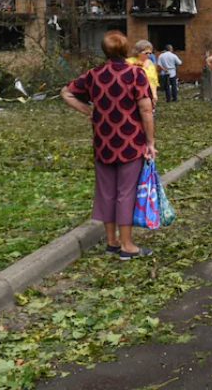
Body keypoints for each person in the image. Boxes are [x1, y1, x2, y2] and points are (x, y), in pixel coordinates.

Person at [61, 31, 155, 260]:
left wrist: (88, 110)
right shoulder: (136, 74)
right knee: (126, 192)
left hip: (103, 143)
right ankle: (127, 246)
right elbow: (145, 109)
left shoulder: (94, 75)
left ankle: (111, 241)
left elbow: (66, 92)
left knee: (106, 192)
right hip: (130, 142)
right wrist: (150, 142)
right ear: (125, 50)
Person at [126, 40, 159, 104]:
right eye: (146, 53)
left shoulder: (150, 63)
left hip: (149, 96)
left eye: (150, 53)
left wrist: (154, 94)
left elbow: (154, 80)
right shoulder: (129, 62)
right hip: (134, 96)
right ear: (138, 52)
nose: (148, 55)